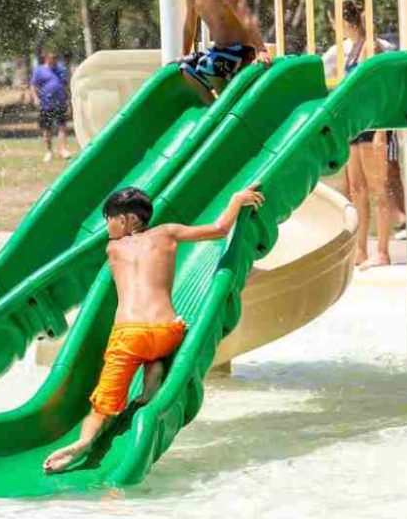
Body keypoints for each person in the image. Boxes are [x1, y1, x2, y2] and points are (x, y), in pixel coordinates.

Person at [43, 183, 265, 474]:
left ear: (126, 220)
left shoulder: (114, 248)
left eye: (109, 218)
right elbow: (220, 229)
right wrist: (236, 200)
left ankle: (81, 445)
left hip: (128, 338)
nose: (106, 225)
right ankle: (152, 376)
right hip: (166, 332)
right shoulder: (168, 232)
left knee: (103, 405)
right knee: (156, 349)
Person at [326, 0, 397, 270]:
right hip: (355, 126)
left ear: (341, 20)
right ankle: (361, 250)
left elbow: (382, 89)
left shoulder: (371, 47)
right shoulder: (352, 49)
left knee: (379, 188)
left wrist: (382, 131)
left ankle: (382, 251)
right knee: (356, 190)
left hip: (372, 125)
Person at [172, 0, 271, 102]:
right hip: (219, 52)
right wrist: (184, 53)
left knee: (209, 65)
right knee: (186, 68)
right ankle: (211, 108)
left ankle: (229, 105)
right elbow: (190, 27)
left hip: (241, 52)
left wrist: (261, 49)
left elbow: (246, 19)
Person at [31, 53, 72, 163]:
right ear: (45, 57)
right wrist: (36, 98)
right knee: (47, 129)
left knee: (62, 127)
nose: (54, 59)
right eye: (52, 57)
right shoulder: (39, 70)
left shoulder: (61, 69)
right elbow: (34, 86)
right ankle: (48, 152)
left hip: (60, 103)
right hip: (46, 104)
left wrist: (68, 100)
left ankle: (63, 150)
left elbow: (65, 86)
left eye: (55, 57)